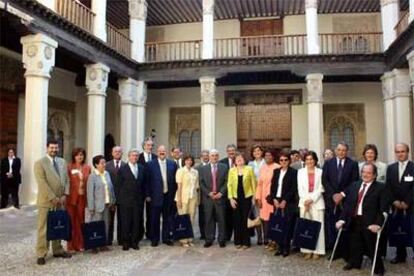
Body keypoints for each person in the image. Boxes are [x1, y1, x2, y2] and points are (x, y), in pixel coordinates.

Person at [336, 163, 387, 275]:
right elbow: (348, 206)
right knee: (354, 243)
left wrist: (378, 224)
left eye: (369, 173)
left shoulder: (381, 187)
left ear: (374, 175)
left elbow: (383, 209)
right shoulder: (355, 185)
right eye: (363, 172)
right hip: (354, 219)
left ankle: (378, 267)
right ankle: (354, 262)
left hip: (371, 222)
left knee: (372, 245)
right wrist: (342, 219)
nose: (365, 174)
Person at [34, 140, 71, 265]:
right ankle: (41, 253)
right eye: (51, 148)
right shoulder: (40, 163)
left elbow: (66, 179)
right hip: (46, 201)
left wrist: (65, 194)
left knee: (58, 225)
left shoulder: (62, 162)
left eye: (56, 148)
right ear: (47, 148)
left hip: (61, 201)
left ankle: (58, 249)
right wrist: (53, 197)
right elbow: (42, 182)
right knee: (43, 228)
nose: (54, 150)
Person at [322, 142, 359, 257]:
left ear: (347, 151)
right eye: (339, 150)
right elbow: (325, 180)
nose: (341, 152)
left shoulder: (353, 164)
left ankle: (345, 251)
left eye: (343, 150)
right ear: (335, 151)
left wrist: (342, 194)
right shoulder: (328, 163)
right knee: (332, 225)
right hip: (331, 200)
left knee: (345, 225)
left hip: (346, 200)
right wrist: (333, 194)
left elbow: (354, 182)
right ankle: (335, 251)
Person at [385, 143, 414, 264]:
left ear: (408, 152)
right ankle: (400, 255)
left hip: (411, 206)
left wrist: (407, 202)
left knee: (412, 230)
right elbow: (388, 187)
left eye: (402, 151)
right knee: (398, 230)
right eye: (398, 152)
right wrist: (394, 201)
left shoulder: (413, 167)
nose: (400, 154)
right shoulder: (391, 168)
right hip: (396, 206)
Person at [146, 145, 178, 247]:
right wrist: (147, 195)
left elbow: (176, 181)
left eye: (163, 151)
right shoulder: (150, 164)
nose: (162, 153)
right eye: (160, 151)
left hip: (169, 196)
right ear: (157, 152)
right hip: (155, 196)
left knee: (167, 218)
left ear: (166, 152)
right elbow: (147, 182)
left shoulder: (172, 164)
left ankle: (166, 238)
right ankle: (154, 239)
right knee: (155, 219)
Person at [269, 150, 299, 257]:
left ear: (289, 161)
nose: (283, 162)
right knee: (278, 225)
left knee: (287, 226)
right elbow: (272, 187)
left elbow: (293, 188)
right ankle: (279, 247)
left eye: (285, 160)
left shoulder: (293, 172)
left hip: (288, 202)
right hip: (276, 201)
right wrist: (274, 199)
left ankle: (286, 248)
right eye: (281, 160)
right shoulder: (276, 171)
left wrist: (285, 200)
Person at [297, 151, 325, 259]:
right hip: (304, 202)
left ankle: (317, 250)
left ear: (315, 160)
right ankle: (307, 249)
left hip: (317, 202)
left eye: (311, 159)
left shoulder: (320, 172)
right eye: (307, 159)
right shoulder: (300, 172)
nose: (309, 161)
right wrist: (306, 200)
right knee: (305, 227)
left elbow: (321, 188)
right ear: (304, 161)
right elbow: (300, 188)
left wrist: (312, 199)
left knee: (318, 226)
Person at [117, 149, 146, 251]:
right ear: (129, 157)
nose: (135, 157)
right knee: (126, 222)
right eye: (133, 156)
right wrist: (119, 200)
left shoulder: (142, 168)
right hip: (125, 201)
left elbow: (144, 185)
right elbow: (118, 185)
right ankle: (125, 242)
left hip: (138, 200)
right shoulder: (123, 169)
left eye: (136, 156)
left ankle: (134, 242)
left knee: (136, 222)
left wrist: (144, 196)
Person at [200, 149, 229, 248]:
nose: (214, 157)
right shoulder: (203, 169)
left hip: (220, 198)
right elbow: (201, 183)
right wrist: (209, 193)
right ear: (209, 156)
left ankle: (222, 239)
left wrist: (221, 192)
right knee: (208, 219)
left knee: (222, 219)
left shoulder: (224, 167)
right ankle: (209, 239)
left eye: (216, 155)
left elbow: (227, 181)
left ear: (218, 156)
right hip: (208, 198)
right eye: (212, 155)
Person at [87, 155, 116, 253]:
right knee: (95, 225)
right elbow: (90, 193)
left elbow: (111, 189)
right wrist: (91, 207)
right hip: (97, 206)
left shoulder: (107, 174)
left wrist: (113, 201)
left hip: (107, 204)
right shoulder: (92, 176)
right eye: (102, 163)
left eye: (104, 162)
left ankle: (103, 244)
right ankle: (94, 246)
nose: (104, 165)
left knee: (106, 225)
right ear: (96, 164)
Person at [228, 153, 256, 249]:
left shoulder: (249, 169)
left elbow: (253, 183)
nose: (239, 160)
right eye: (237, 159)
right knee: (237, 220)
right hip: (235, 198)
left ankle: (246, 242)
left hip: (247, 198)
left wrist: (254, 197)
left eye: (241, 158)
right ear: (235, 161)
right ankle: (237, 241)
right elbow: (229, 185)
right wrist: (231, 198)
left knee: (245, 220)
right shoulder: (231, 170)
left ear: (244, 160)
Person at [66, 148, 91, 253]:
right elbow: (67, 181)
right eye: (77, 155)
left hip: (82, 197)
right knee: (71, 221)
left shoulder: (87, 167)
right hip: (71, 197)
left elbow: (89, 183)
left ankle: (80, 244)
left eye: (81, 155)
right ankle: (70, 245)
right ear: (74, 156)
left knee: (80, 221)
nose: (79, 157)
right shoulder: (69, 167)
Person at [255, 149, 280, 249]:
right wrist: (258, 198)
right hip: (263, 197)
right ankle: (268, 239)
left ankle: (275, 240)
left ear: (273, 156)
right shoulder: (263, 168)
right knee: (265, 220)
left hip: (273, 197)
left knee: (273, 219)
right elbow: (259, 184)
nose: (267, 157)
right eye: (266, 156)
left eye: (270, 155)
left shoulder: (277, 167)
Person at [175, 154, 199, 247]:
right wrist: (179, 200)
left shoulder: (195, 172)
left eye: (190, 160)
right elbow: (179, 187)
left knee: (191, 218)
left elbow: (197, 187)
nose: (189, 162)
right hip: (183, 198)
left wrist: (198, 199)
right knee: (183, 219)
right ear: (184, 161)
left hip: (193, 197)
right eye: (187, 160)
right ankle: (183, 240)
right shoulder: (180, 171)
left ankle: (190, 238)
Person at [105, 146, 125, 245]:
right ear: (112, 153)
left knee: (122, 219)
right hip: (110, 196)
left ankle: (121, 239)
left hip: (122, 197)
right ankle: (109, 239)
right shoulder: (106, 165)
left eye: (119, 152)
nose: (117, 153)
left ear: (122, 153)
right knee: (110, 219)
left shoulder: (126, 165)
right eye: (115, 151)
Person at [138, 138, 157, 241]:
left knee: (151, 214)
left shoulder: (155, 157)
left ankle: (150, 233)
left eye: (151, 146)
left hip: (152, 191)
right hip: (140, 190)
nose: (150, 147)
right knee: (139, 213)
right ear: (144, 146)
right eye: (148, 145)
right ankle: (140, 233)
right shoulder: (138, 157)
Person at [247, 144, 265, 245]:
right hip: (254, 192)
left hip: (265, 192)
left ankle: (267, 236)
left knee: (265, 216)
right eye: (254, 151)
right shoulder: (250, 164)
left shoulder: (266, 162)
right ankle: (259, 237)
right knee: (257, 215)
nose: (257, 153)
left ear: (261, 152)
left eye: (258, 151)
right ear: (252, 153)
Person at [220, 144, 237, 241]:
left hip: (237, 193)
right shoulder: (222, 162)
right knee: (226, 216)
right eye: (229, 150)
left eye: (233, 150)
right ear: (227, 152)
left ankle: (237, 236)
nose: (231, 152)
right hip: (225, 194)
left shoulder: (240, 161)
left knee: (236, 216)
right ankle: (227, 236)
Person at [195, 149, 210, 240]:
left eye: (207, 155)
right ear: (201, 157)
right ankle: (203, 234)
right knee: (202, 216)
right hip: (201, 195)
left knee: (210, 216)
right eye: (203, 155)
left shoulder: (213, 166)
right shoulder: (197, 168)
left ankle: (210, 233)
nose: (205, 157)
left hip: (212, 195)